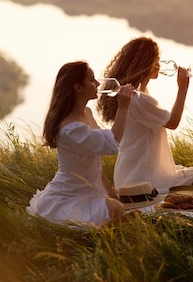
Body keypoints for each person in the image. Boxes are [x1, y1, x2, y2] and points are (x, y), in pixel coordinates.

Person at [27, 61, 134, 226]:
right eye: (92, 80)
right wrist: (123, 108)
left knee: (118, 207)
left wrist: (112, 196)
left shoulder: (87, 113)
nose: (98, 84)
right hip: (71, 196)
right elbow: (111, 144)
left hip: (89, 192)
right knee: (115, 210)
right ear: (78, 88)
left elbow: (96, 161)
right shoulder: (71, 129)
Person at [97, 37, 193, 192]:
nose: (159, 66)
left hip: (129, 175)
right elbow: (173, 122)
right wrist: (183, 89)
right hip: (146, 180)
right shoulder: (138, 99)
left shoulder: (128, 94)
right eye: (156, 61)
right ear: (146, 64)